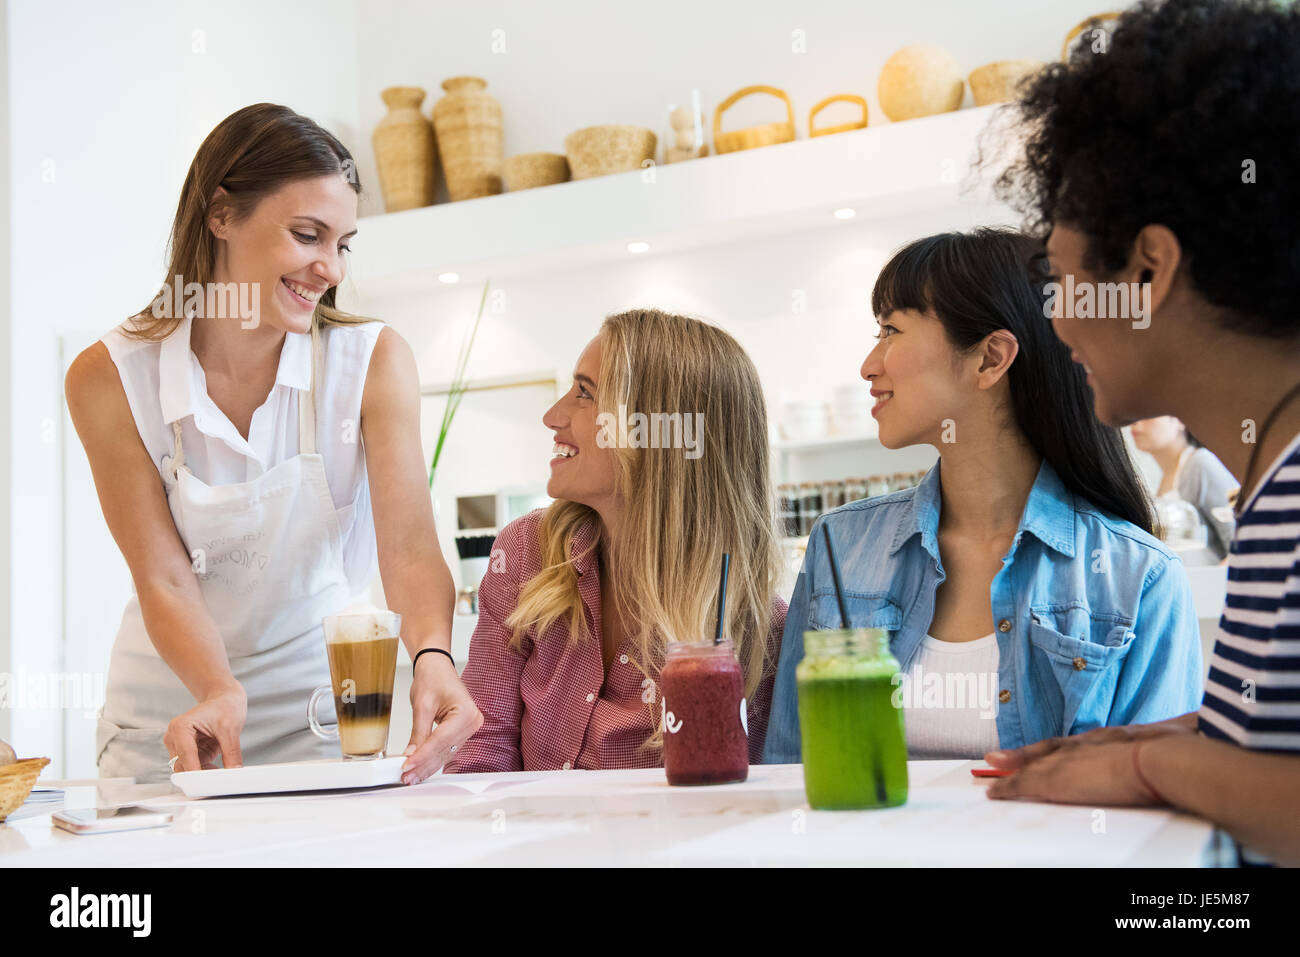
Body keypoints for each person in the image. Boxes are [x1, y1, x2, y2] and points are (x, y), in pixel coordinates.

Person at [65, 103, 480, 785]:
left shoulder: (369, 362)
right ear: (221, 214)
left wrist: (434, 654)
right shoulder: (109, 378)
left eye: (342, 244)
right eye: (308, 235)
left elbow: (406, 547)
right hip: (171, 719)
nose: (331, 269)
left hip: (319, 717)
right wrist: (217, 689)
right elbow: (164, 575)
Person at [981, 0, 1300, 866]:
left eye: (1060, 276)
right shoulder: (1271, 479)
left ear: (1149, 270)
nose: (1057, 319)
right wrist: (1149, 744)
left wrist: (1154, 761)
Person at [763, 228, 1204, 763]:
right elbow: (789, 773)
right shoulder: (840, 545)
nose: (868, 366)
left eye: (890, 330)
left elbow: (1148, 809)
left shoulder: (1138, 576)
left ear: (991, 358)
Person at [445, 309, 786, 772]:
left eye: (585, 393)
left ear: (657, 431)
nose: (552, 416)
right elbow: (481, 749)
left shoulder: (759, 630)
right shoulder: (527, 553)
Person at [1130, 416, 1237, 559]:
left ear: (1179, 420)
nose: (1135, 422)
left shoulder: (1201, 463)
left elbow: (1238, 540)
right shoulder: (1163, 478)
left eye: (1148, 414)